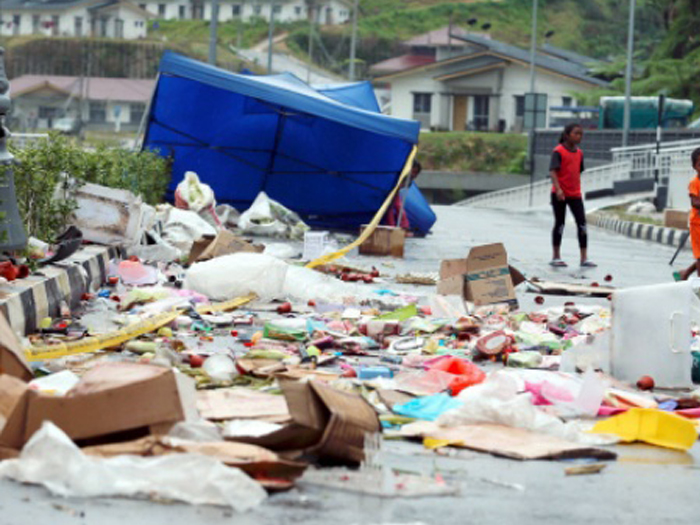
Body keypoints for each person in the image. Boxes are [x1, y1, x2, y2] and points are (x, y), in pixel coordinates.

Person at [549, 123, 596, 268]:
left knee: (582, 223)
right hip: (559, 194)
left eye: (581, 134)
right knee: (560, 223)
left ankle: (584, 258)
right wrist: (558, 189)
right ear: (567, 135)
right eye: (576, 133)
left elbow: (578, 170)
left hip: (575, 194)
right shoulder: (558, 151)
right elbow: (553, 171)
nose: (579, 136)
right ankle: (556, 256)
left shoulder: (579, 153)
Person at [679, 147, 700, 280]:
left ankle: (686, 273)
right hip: (697, 224)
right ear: (694, 167)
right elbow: (695, 202)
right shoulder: (694, 183)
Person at [385, 160, 422, 232]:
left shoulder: (409, 180)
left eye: (416, 173)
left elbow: (400, 187)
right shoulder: (401, 175)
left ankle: (403, 226)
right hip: (391, 190)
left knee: (397, 205)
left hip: (394, 191)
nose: (414, 174)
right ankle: (393, 226)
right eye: (413, 171)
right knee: (392, 206)